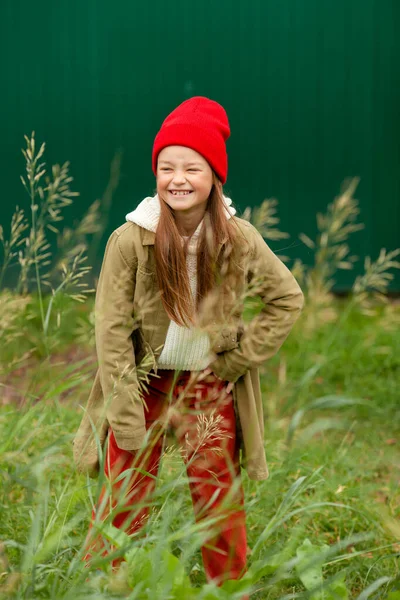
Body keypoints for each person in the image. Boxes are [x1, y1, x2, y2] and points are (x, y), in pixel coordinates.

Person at [73, 96, 304, 589]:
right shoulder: (131, 239)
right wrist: (122, 404)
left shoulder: (238, 238)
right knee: (125, 494)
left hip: (207, 387)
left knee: (220, 501)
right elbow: (110, 327)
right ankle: (102, 587)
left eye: (191, 168)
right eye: (165, 166)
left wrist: (234, 362)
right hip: (145, 384)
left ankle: (230, 589)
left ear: (213, 177)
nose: (177, 178)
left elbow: (287, 298)